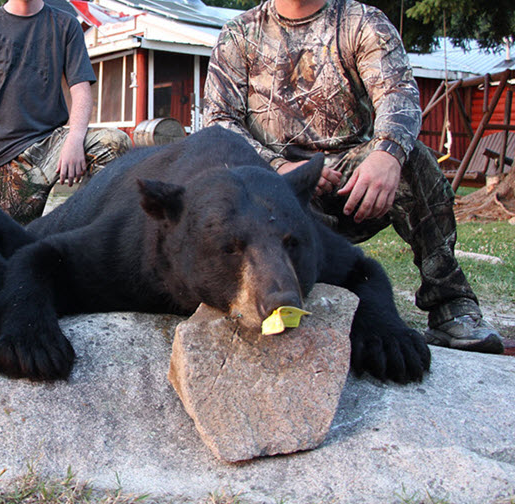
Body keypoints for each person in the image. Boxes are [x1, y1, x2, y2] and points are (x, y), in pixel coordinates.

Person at [202, 0, 504, 353]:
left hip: (356, 182)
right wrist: (279, 168)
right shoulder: (239, 35)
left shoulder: (362, 22)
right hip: (277, 192)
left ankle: (450, 302)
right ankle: (267, 290)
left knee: (415, 159)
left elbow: (398, 94)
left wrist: (385, 155)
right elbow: (220, 121)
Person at [0, 0, 131, 223]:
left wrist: (75, 139)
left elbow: (81, 90)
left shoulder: (65, 24)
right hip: (1, 157)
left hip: (51, 145)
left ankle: (82, 230)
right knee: (12, 243)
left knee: (114, 142)